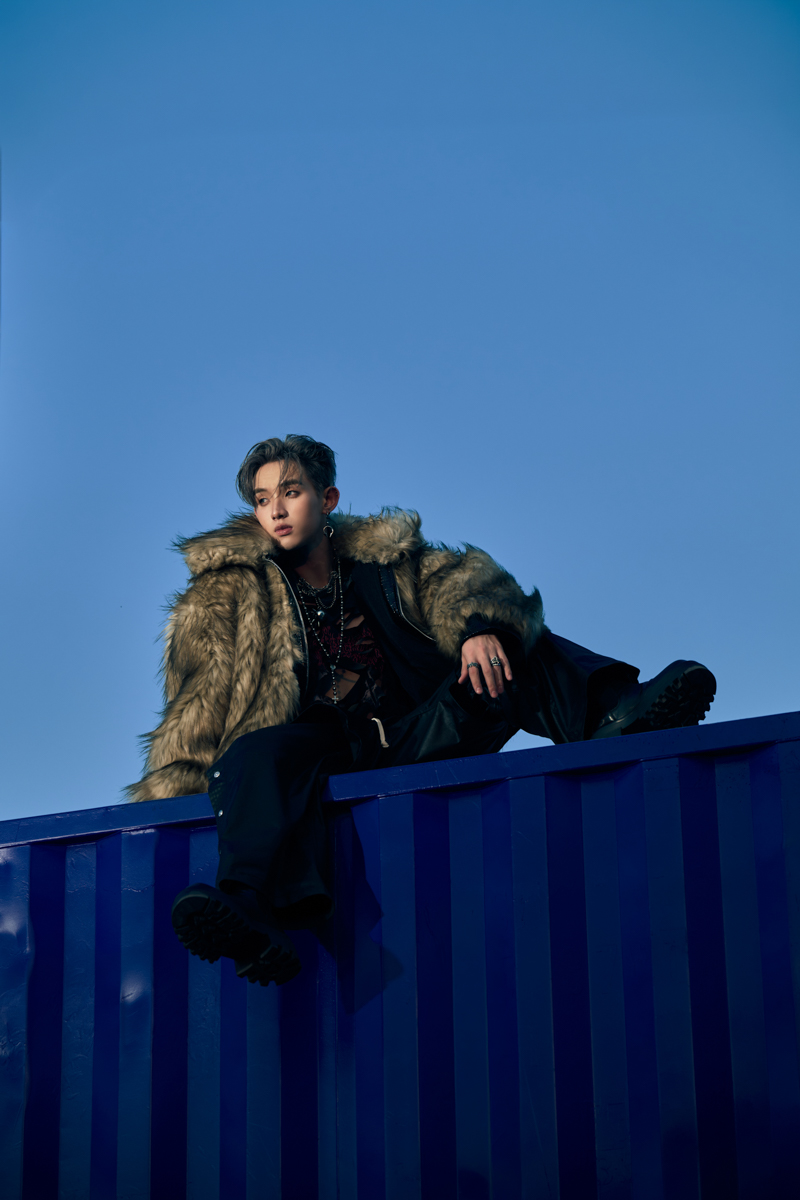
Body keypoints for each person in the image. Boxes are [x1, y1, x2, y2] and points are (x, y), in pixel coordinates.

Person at [128, 435, 715, 987]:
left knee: (507, 647)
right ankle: (250, 909)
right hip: (324, 753)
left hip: (418, 733)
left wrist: (477, 628)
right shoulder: (233, 594)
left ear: (327, 499)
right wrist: (166, 805)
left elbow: (463, 583)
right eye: (262, 499)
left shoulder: (385, 563)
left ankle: (618, 715)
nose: (276, 510)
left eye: (291, 491)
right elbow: (199, 706)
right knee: (255, 753)